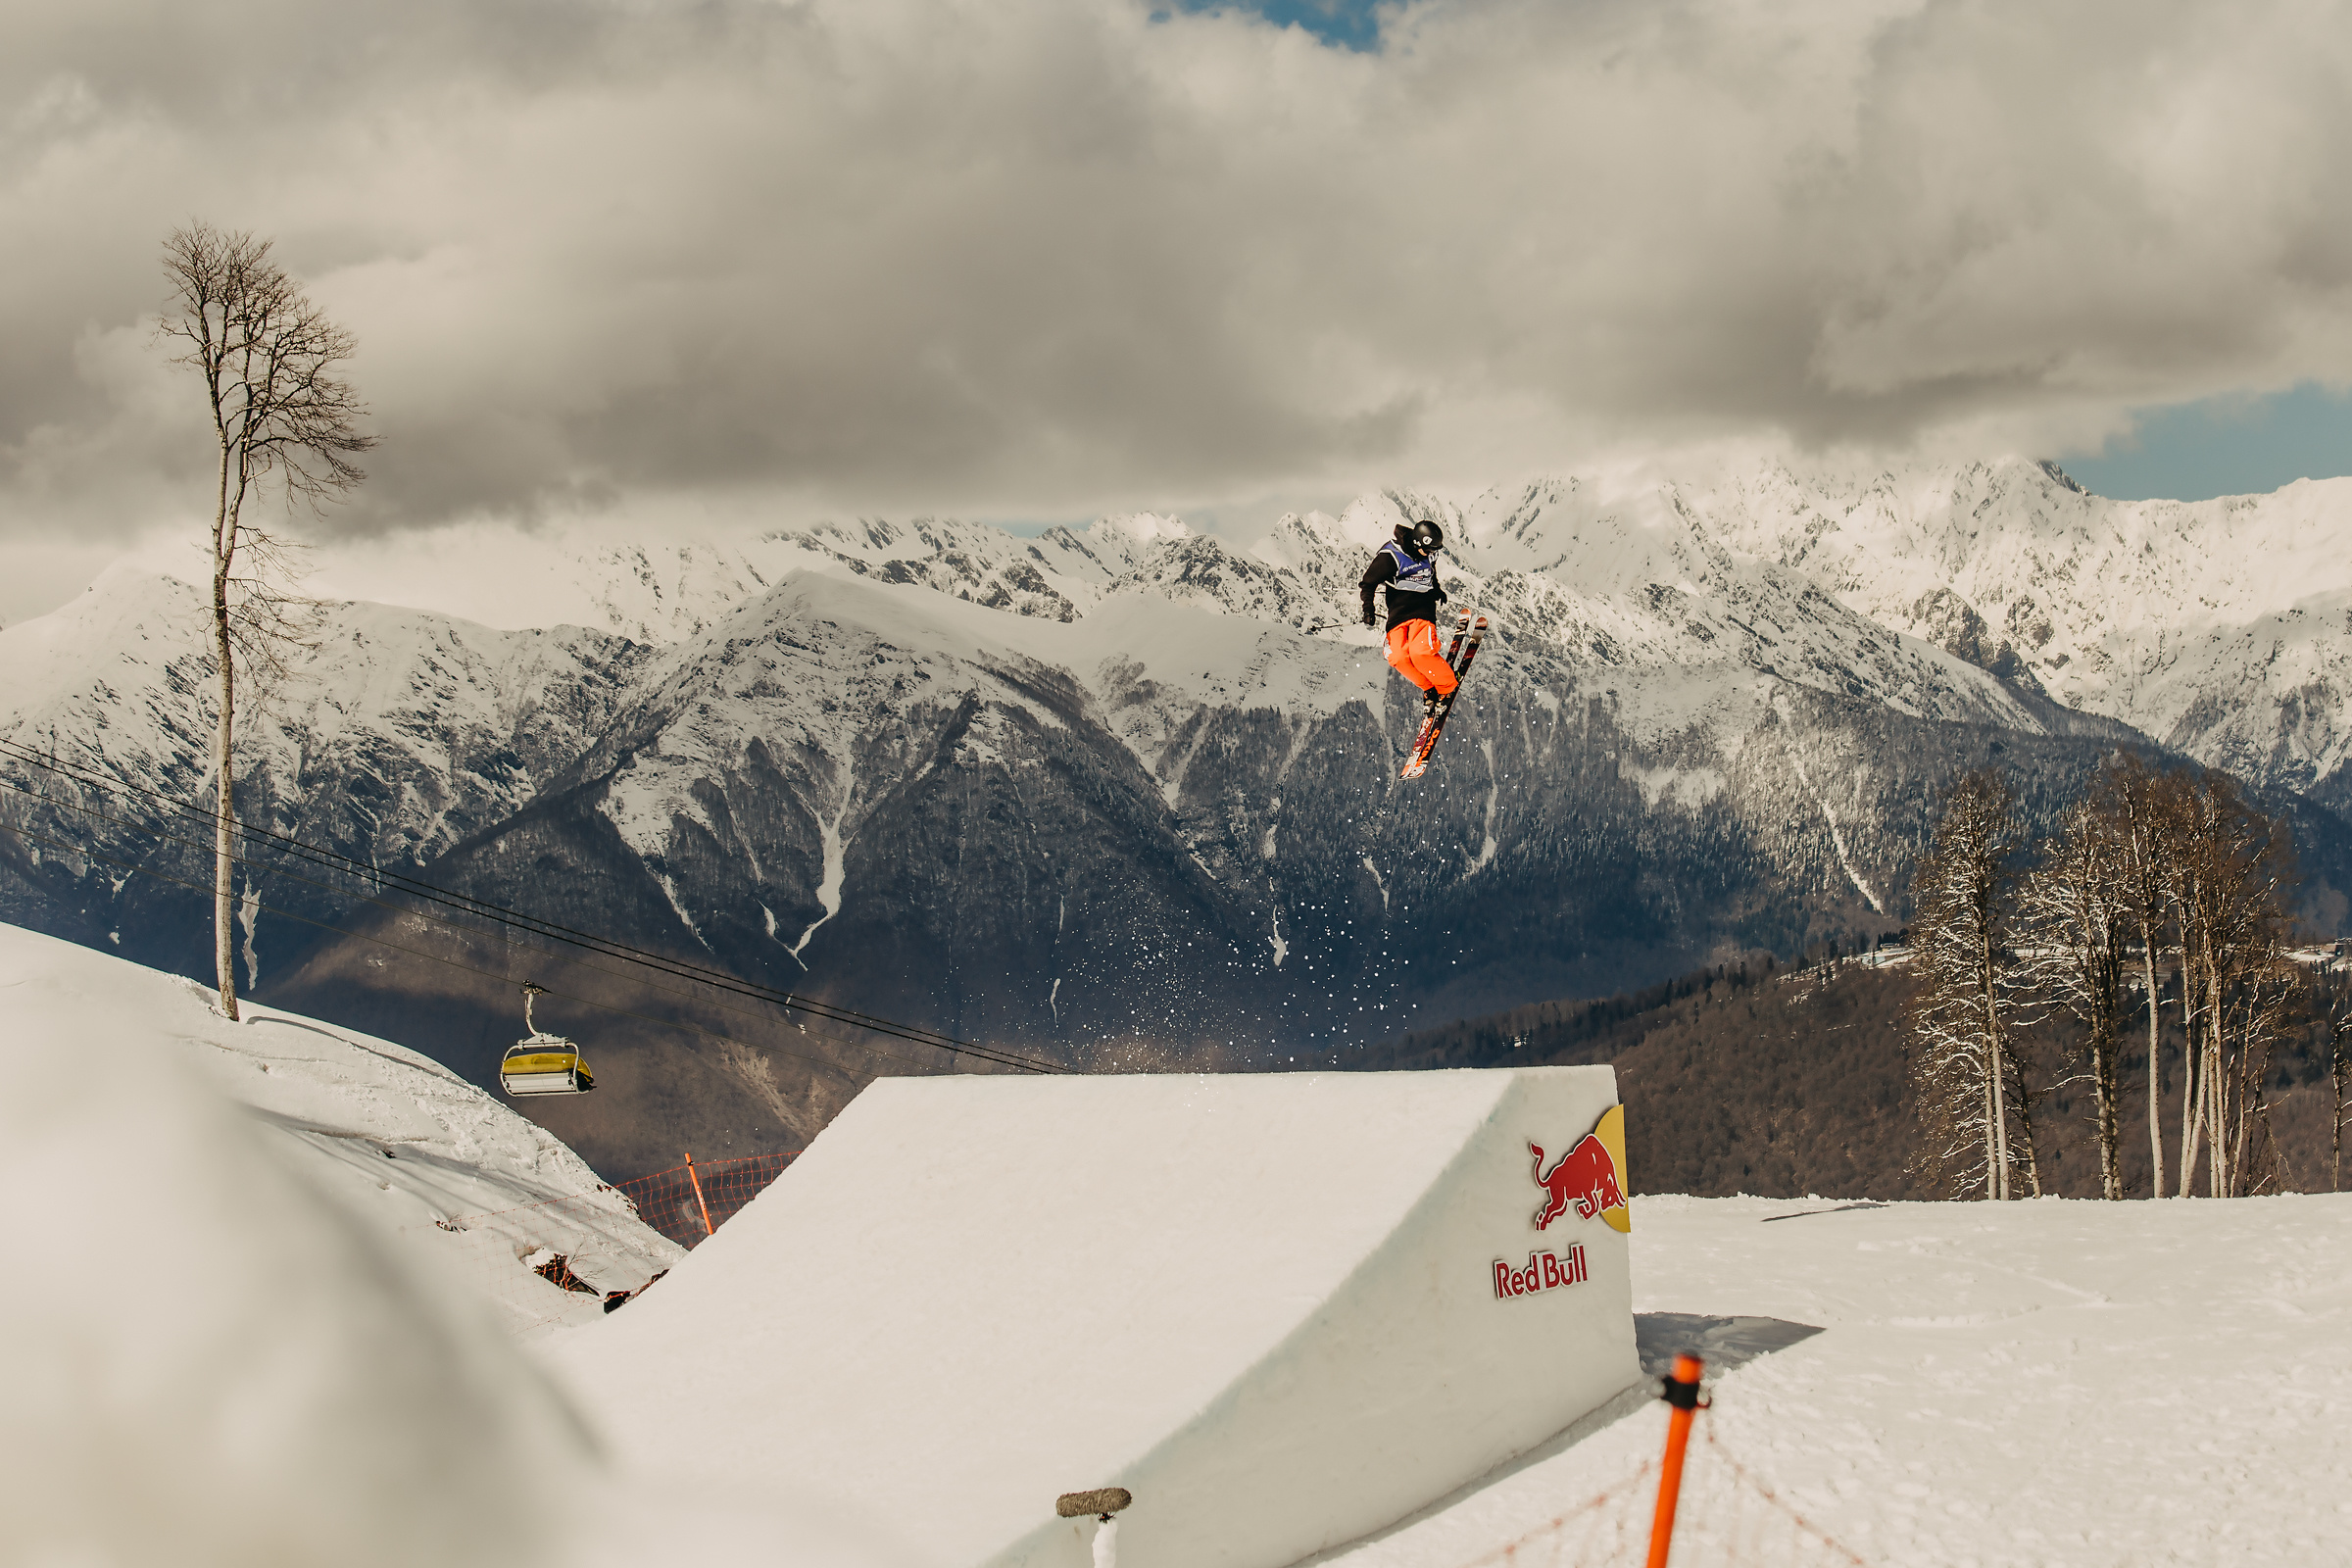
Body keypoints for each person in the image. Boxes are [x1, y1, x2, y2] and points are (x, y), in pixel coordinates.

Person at [1359, 515, 1456, 716]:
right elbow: (1368, 583)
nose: (1432, 554)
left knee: (1420, 653)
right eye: (1429, 550)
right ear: (1416, 543)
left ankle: (1446, 687)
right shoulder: (1390, 557)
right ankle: (1429, 688)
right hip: (1398, 611)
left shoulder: (1429, 553)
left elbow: (1430, 572)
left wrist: (1436, 589)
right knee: (1398, 657)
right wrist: (1368, 609)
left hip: (1423, 608)